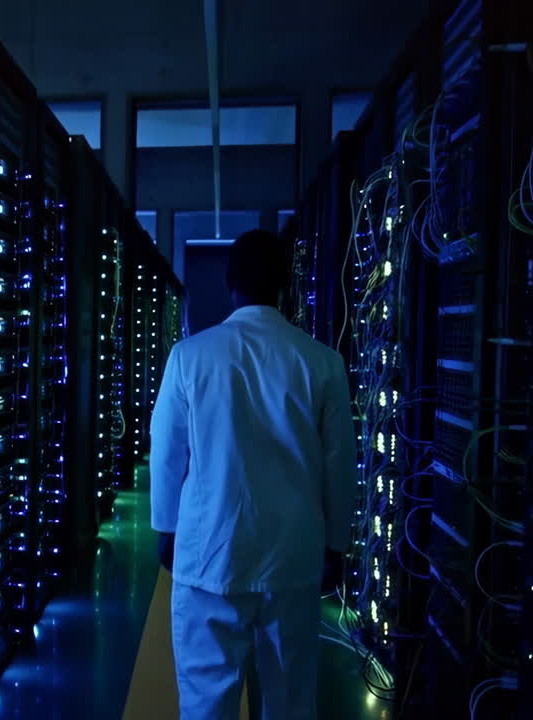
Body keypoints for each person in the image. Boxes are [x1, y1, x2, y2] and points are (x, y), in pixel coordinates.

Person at [149, 229, 356, 720]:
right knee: (290, 701)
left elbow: (167, 453)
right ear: (286, 284)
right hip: (294, 556)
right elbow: (339, 464)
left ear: (229, 284)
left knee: (207, 699)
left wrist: (167, 530)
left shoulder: (190, 357)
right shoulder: (323, 363)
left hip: (210, 556)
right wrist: (337, 544)